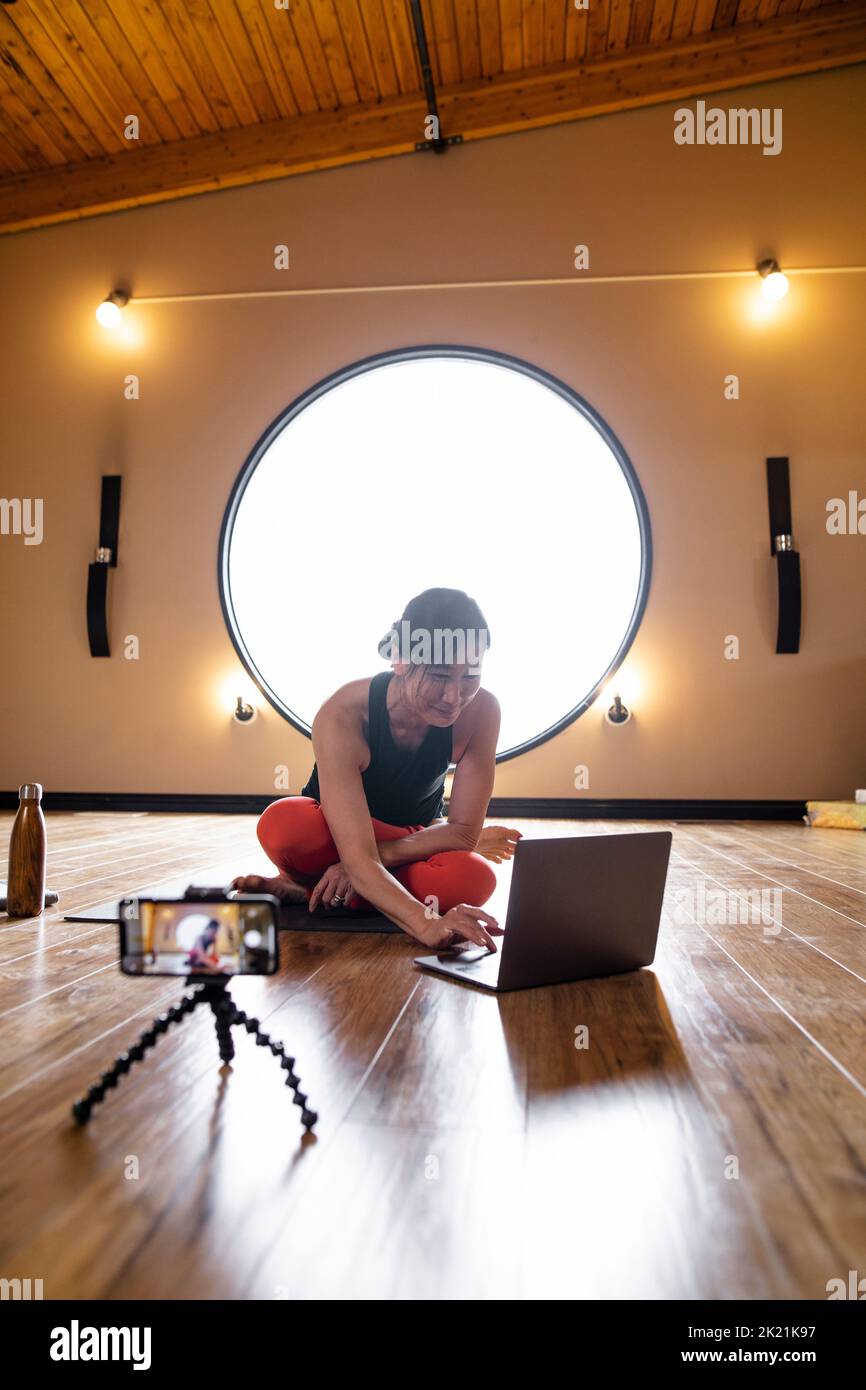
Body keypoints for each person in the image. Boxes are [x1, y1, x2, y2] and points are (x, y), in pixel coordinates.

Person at [232, 588, 521, 952]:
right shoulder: (343, 715)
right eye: (439, 676)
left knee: (474, 877)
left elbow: (463, 834)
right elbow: (363, 852)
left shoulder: (483, 711)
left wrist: (361, 863)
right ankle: (355, 886)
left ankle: (310, 888)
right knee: (285, 825)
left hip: (405, 839)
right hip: (333, 835)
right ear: (400, 659)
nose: (455, 697)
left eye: (470, 677)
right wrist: (424, 921)